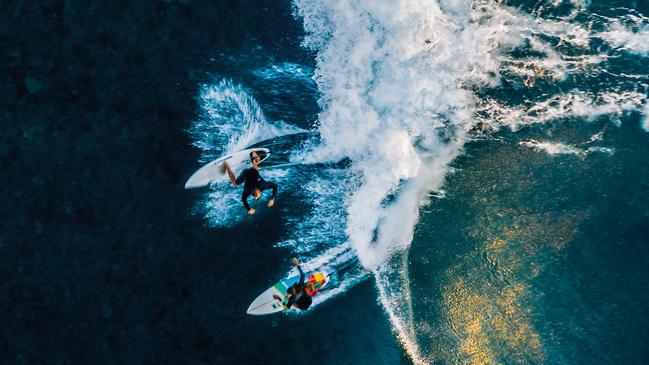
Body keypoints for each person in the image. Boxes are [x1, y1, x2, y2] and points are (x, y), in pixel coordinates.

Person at [221, 151, 278, 215]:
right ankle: (253, 156)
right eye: (257, 194)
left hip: (245, 173)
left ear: (252, 193)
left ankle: (226, 166)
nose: (255, 193)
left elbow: (244, 200)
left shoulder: (247, 191)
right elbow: (275, 186)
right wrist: (272, 198)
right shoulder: (263, 185)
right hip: (253, 171)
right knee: (256, 170)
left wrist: (249, 209)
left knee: (235, 183)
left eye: (254, 195)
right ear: (260, 192)